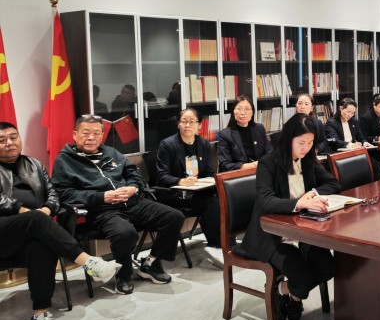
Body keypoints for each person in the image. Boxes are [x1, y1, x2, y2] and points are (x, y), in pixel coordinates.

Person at [0, 122, 121, 320]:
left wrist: (47, 209)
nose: (9, 143)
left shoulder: (34, 165)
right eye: (1, 140)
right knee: (36, 219)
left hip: (32, 231)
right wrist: (26, 212)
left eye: (13, 137)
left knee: (40, 247)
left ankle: (40, 318)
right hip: (3, 234)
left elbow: (53, 195)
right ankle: (89, 262)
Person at [53, 114, 184, 295]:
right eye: (85, 133)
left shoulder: (111, 152)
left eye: (96, 133)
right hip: (103, 211)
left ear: (102, 135)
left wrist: (133, 188)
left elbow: (133, 174)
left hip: (133, 202)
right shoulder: (65, 160)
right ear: (75, 134)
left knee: (174, 217)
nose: (91, 137)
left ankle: (151, 262)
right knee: (125, 233)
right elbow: (64, 193)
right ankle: (123, 274)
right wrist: (101, 197)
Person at [237, 114, 340, 320]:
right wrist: (299, 203)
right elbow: (266, 201)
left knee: (328, 268)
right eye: (301, 143)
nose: (306, 148)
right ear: (288, 139)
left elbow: (333, 183)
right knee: (303, 278)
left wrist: (312, 193)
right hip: (272, 235)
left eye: (310, 143)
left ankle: (284, 291)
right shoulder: (268, 163)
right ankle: (292, 294)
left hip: (302, 231)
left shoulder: (307, 160)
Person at [156, 107, 228, 267]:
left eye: (192, 122)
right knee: (212, 203)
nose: (187, 125)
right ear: (178, 124)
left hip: (197, 192)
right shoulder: (167, 145)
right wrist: (180, 181)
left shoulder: (203, 143)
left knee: (222, 197)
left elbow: (208, 171)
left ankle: (225, 243)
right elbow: (162, 176)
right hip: (175, 195)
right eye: (184, 121)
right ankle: (217, 246)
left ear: (199, 125)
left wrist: (211, 180)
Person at [217, 95, 272, 171]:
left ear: (252, 112)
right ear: (233, 111)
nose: (243, 113)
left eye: (247, 109)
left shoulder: (259, 129)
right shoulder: (225, 134)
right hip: (239, 175)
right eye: (239, 109)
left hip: (262, 171)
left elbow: (270, 153)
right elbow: (225, 164)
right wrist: (247, 166)